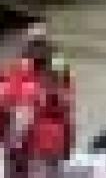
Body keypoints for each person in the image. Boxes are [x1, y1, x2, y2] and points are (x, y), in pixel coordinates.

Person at [25, 47, 72, 178]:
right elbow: (67, 121)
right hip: (52, 141)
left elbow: (29, 121)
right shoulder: (61, 94)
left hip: (44, 142)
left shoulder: (36, 91)